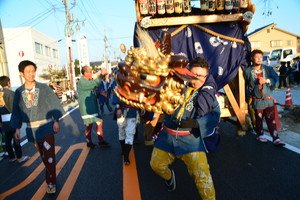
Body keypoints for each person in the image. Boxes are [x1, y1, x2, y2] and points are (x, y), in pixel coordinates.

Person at [150, 57, 220, 199]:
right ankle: (169, 177)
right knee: (156, 165)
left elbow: (215, 115)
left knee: (203, 178)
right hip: (168, 136)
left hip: (191, 140)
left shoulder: (208, 95)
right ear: (187, 72)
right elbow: (161, 101)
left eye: (201, 76)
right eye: (194, 75)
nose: (196, 79)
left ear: (206, 77)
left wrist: (196, 124)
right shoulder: (177, 86)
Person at [10, 60, 65, 194]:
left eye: (33, 71)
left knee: (50, 155)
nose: (31, 74)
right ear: (21, 73)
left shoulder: (44, 88)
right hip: (32, 130)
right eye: (28, 72)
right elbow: (16, 111)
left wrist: (56, 120)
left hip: (46, 126)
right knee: (43, 156)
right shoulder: (18, 92)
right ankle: (51, 175)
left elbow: (53, 103)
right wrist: (17, 128)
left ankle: (51, 182)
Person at [244, 49, 285, 146]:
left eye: (260, 57)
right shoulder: (248, 71)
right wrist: (248, 97)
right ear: (252, 58)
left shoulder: (268, 69)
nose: (259, 59)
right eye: (256, 57)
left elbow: (276, 79)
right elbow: (245, 85)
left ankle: (276, 138)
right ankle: (260, 135)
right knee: (259, 119)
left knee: (271, 119)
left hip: (268, 99)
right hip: (257, 100)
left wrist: (266, 80)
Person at [77, 66, 111, 148]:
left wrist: (100, 93)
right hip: (87, 107)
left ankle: (101, 140)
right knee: (89, 124)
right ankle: (89, 141)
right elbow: (94, 84)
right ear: (85, 73)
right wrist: (101, 74)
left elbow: (93, 89)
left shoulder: (88, 80)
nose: (91, 72)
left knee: (99, 122)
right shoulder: (82, 81)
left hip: (93, 106)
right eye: (90, 71)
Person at [0, 76, 29, 163]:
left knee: (8, 140)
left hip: (3, 120)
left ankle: (12, 157)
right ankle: (19, 157)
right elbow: (15, 108)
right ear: (8, 83)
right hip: (11, 119)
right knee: (16, 139)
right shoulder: (11, 93)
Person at [112, 94, 139, 165]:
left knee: (130, 134)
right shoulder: (119, 82)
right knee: (121, 133)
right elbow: (116, 91)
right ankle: (123, 149)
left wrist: (142, 107)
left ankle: (126, 156)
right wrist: (118, 108)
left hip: (133, 111)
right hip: (121, 111)